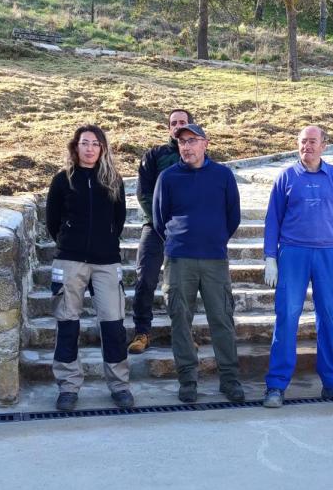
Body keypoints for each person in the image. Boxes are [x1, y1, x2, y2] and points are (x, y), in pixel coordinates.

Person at [261, 126, 333, 408]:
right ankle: (276, 385)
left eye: (312, 141)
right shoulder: (286, 177)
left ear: (324, 146)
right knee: (287, 315)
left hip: (328, 254)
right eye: (303, 141)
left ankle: (332, 383)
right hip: (293, 252)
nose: (307, 146)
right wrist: (271, 257)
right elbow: (273, 219)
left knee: (329, 317)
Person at [152, 123, 244, 403]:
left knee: (222, 319)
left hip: (214, 259)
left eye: (192, 141)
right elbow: (159, 219)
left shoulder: (223, 175)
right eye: (181, 142)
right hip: (179, 259)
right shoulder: (168, 178)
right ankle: (188, 380)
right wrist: (180, 240)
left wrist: (213, 239)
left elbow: (233, 216)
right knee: (181, 319)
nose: (186, 146)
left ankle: (229, 380)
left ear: (206, 143)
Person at [45, 124, 134, 411]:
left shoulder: (113, 180)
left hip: (106, 261)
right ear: (76, 147)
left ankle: (119, 385)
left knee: (113, 324)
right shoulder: (62, 180)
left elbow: (118, 219)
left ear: (103, 148)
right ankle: (68, 386)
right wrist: (70, 241)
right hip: (70, 261)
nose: (90, 148)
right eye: (85, 143)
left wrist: (104, 242)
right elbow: (52, 222)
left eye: (96, 143)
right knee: (68, 324)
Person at [128, 109, 193, 354]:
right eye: (174, 123)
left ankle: (185, 335)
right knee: (145, 278)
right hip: (154, 227)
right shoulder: (154, 155)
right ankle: (142, 332)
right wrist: (161, 222)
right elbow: (143, 193)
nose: (178, 126)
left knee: (185, 284)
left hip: (187, 230)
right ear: (168, 128)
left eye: (183, 122)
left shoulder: (195, 155)